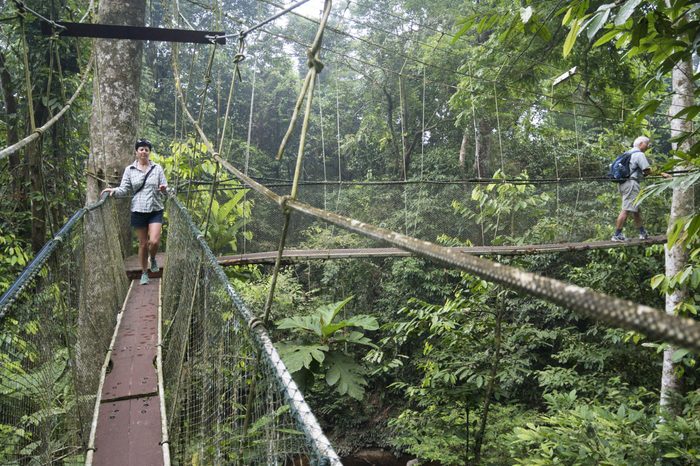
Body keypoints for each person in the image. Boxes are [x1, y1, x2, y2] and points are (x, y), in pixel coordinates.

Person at [101, 139, 167, 285]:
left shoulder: (157, 168)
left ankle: (153, 258)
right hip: (138, 210)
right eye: (141, 149)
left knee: (154, 241)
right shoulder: (130, 170)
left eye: (146, 149)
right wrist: (114, 190)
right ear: (136, 152)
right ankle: (144, 272)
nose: (144, 152)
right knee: (143, 244)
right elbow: (124, 188)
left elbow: (165, 187)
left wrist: (164, 189)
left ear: (149, 152)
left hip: (155, 208)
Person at [611, 136, 664, 242]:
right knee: (626, 209)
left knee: (636, 209)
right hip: (631, 183)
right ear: (640, 144)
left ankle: (642, 232)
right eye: (647, 144)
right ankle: (617, 235)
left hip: (623, 183)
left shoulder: (627, 153)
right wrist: (663, 174)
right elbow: (647, 171)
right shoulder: (639, 154)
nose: (648, 146)